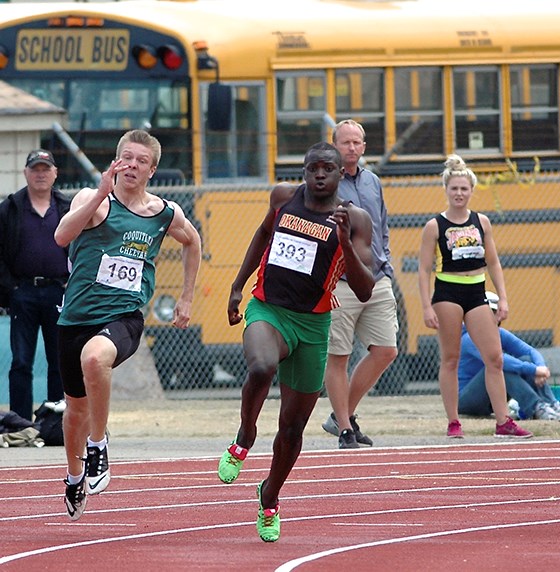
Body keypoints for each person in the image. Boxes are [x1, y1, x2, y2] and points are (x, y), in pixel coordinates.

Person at [216, 142, 374, 542]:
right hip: (268, 309)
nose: (319, 175)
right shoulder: (283, 198)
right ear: (304, 172)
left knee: (292, 429)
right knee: (262, 366)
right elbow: (262, 234)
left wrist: (342, 242)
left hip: (314, 325)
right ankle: (245, 435)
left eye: (328, 169)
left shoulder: (354, 219)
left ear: (342, 174)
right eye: (312, 168)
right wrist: (237, 287)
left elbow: (366, 287)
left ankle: (269, 497)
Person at [55, 130, 202, 520]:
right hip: (74, 319)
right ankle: (74, 478)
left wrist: (186, 297)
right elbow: (61, 236)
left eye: (140, 160)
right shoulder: (93, 200)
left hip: (123, 317)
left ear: (152, 169)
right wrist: (101, 193)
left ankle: (99, 445)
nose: (131, 165)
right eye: (126, 158)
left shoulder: (163, 213)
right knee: (74, 412)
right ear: (116, 162)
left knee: (94, 360)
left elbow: (192, 242)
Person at [418, 154, 531, 439]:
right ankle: (454, 421)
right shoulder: (435, 226)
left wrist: (503, 298)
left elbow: (493, 262)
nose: (459, 193)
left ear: (471, 191)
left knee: (494, 358)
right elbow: (422, 269)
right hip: (447, 293)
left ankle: (503, 421)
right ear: (446, 190)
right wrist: (426, 306)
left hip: (477, 291)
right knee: (451, 359)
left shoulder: (482, 222)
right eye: (454, 188)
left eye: (463, 189)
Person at [320, 119, 398, 449]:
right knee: (338, 355)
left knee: (386, 350)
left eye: (357, 142)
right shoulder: (323, 183)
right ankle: (344, 431)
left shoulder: (373, 182)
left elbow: (381, 227)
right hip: (340, 283)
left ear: (364, 147)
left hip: (376, 280)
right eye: (345, 142)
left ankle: (342, 415)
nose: (352, 147)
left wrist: (387, 266)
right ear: (334, 145)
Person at [0, 150, 70, 420]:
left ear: (55, 173)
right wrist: (11, 289)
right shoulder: (10, 208)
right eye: (35, 169)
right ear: (26, 173)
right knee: (21, 362)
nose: (40, 174)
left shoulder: (67, 207)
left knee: (59, 360)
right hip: (23, 293)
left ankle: (55, 419)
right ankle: (20, 422)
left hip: (58, 291)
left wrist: (69, 284)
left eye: (45, 168)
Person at [458, 291, 560, 422]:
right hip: (466, 402)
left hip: (491, 400)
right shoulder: (469, 338)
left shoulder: (499, 333)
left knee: (526, 360)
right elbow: (500, 361)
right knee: (500, 367)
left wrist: (540, 367)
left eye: (494, 312)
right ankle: (537, 408)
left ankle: (552, 404)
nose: (492, 317)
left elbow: (530, 351)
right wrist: (533, 370)